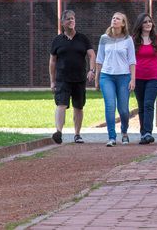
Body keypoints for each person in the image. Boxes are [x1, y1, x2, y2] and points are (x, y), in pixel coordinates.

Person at [48, 10, 95, 144]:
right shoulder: (57, 40)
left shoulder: (83, 38)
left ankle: (77, 134)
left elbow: (92, 55)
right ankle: (58, 132)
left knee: (78, 107)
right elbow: (52, 61)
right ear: (62, 23)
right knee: (61, 104)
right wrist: (52, 81)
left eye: (73, 18)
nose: (71, 21)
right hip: (62, 79)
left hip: (79, 79)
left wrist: (92, 70)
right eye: (68, 19)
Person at [95, 12, 136, 147]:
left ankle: (124, 131)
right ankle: (112, 137)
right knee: (110, 106)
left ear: (123, 23)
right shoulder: (104, 38)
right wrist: (97, 78)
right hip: (107, 76)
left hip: (124, 77)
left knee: (123, 109)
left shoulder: (128, 39)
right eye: (113, 18)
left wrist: (133, 79)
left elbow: (132, 61)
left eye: (118, 18)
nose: (114, 20)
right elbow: (99, 59)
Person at [131, 13, 157, 144]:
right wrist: (131, 78)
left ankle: (147, 132)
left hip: (154, 77)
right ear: (140, 24)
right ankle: (143, 133)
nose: (148, 24)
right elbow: (130, 60)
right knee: (141, 106)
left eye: (150, 22)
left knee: (148, 103)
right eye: (145, 22)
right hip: (138, 76)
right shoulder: (133, 39)